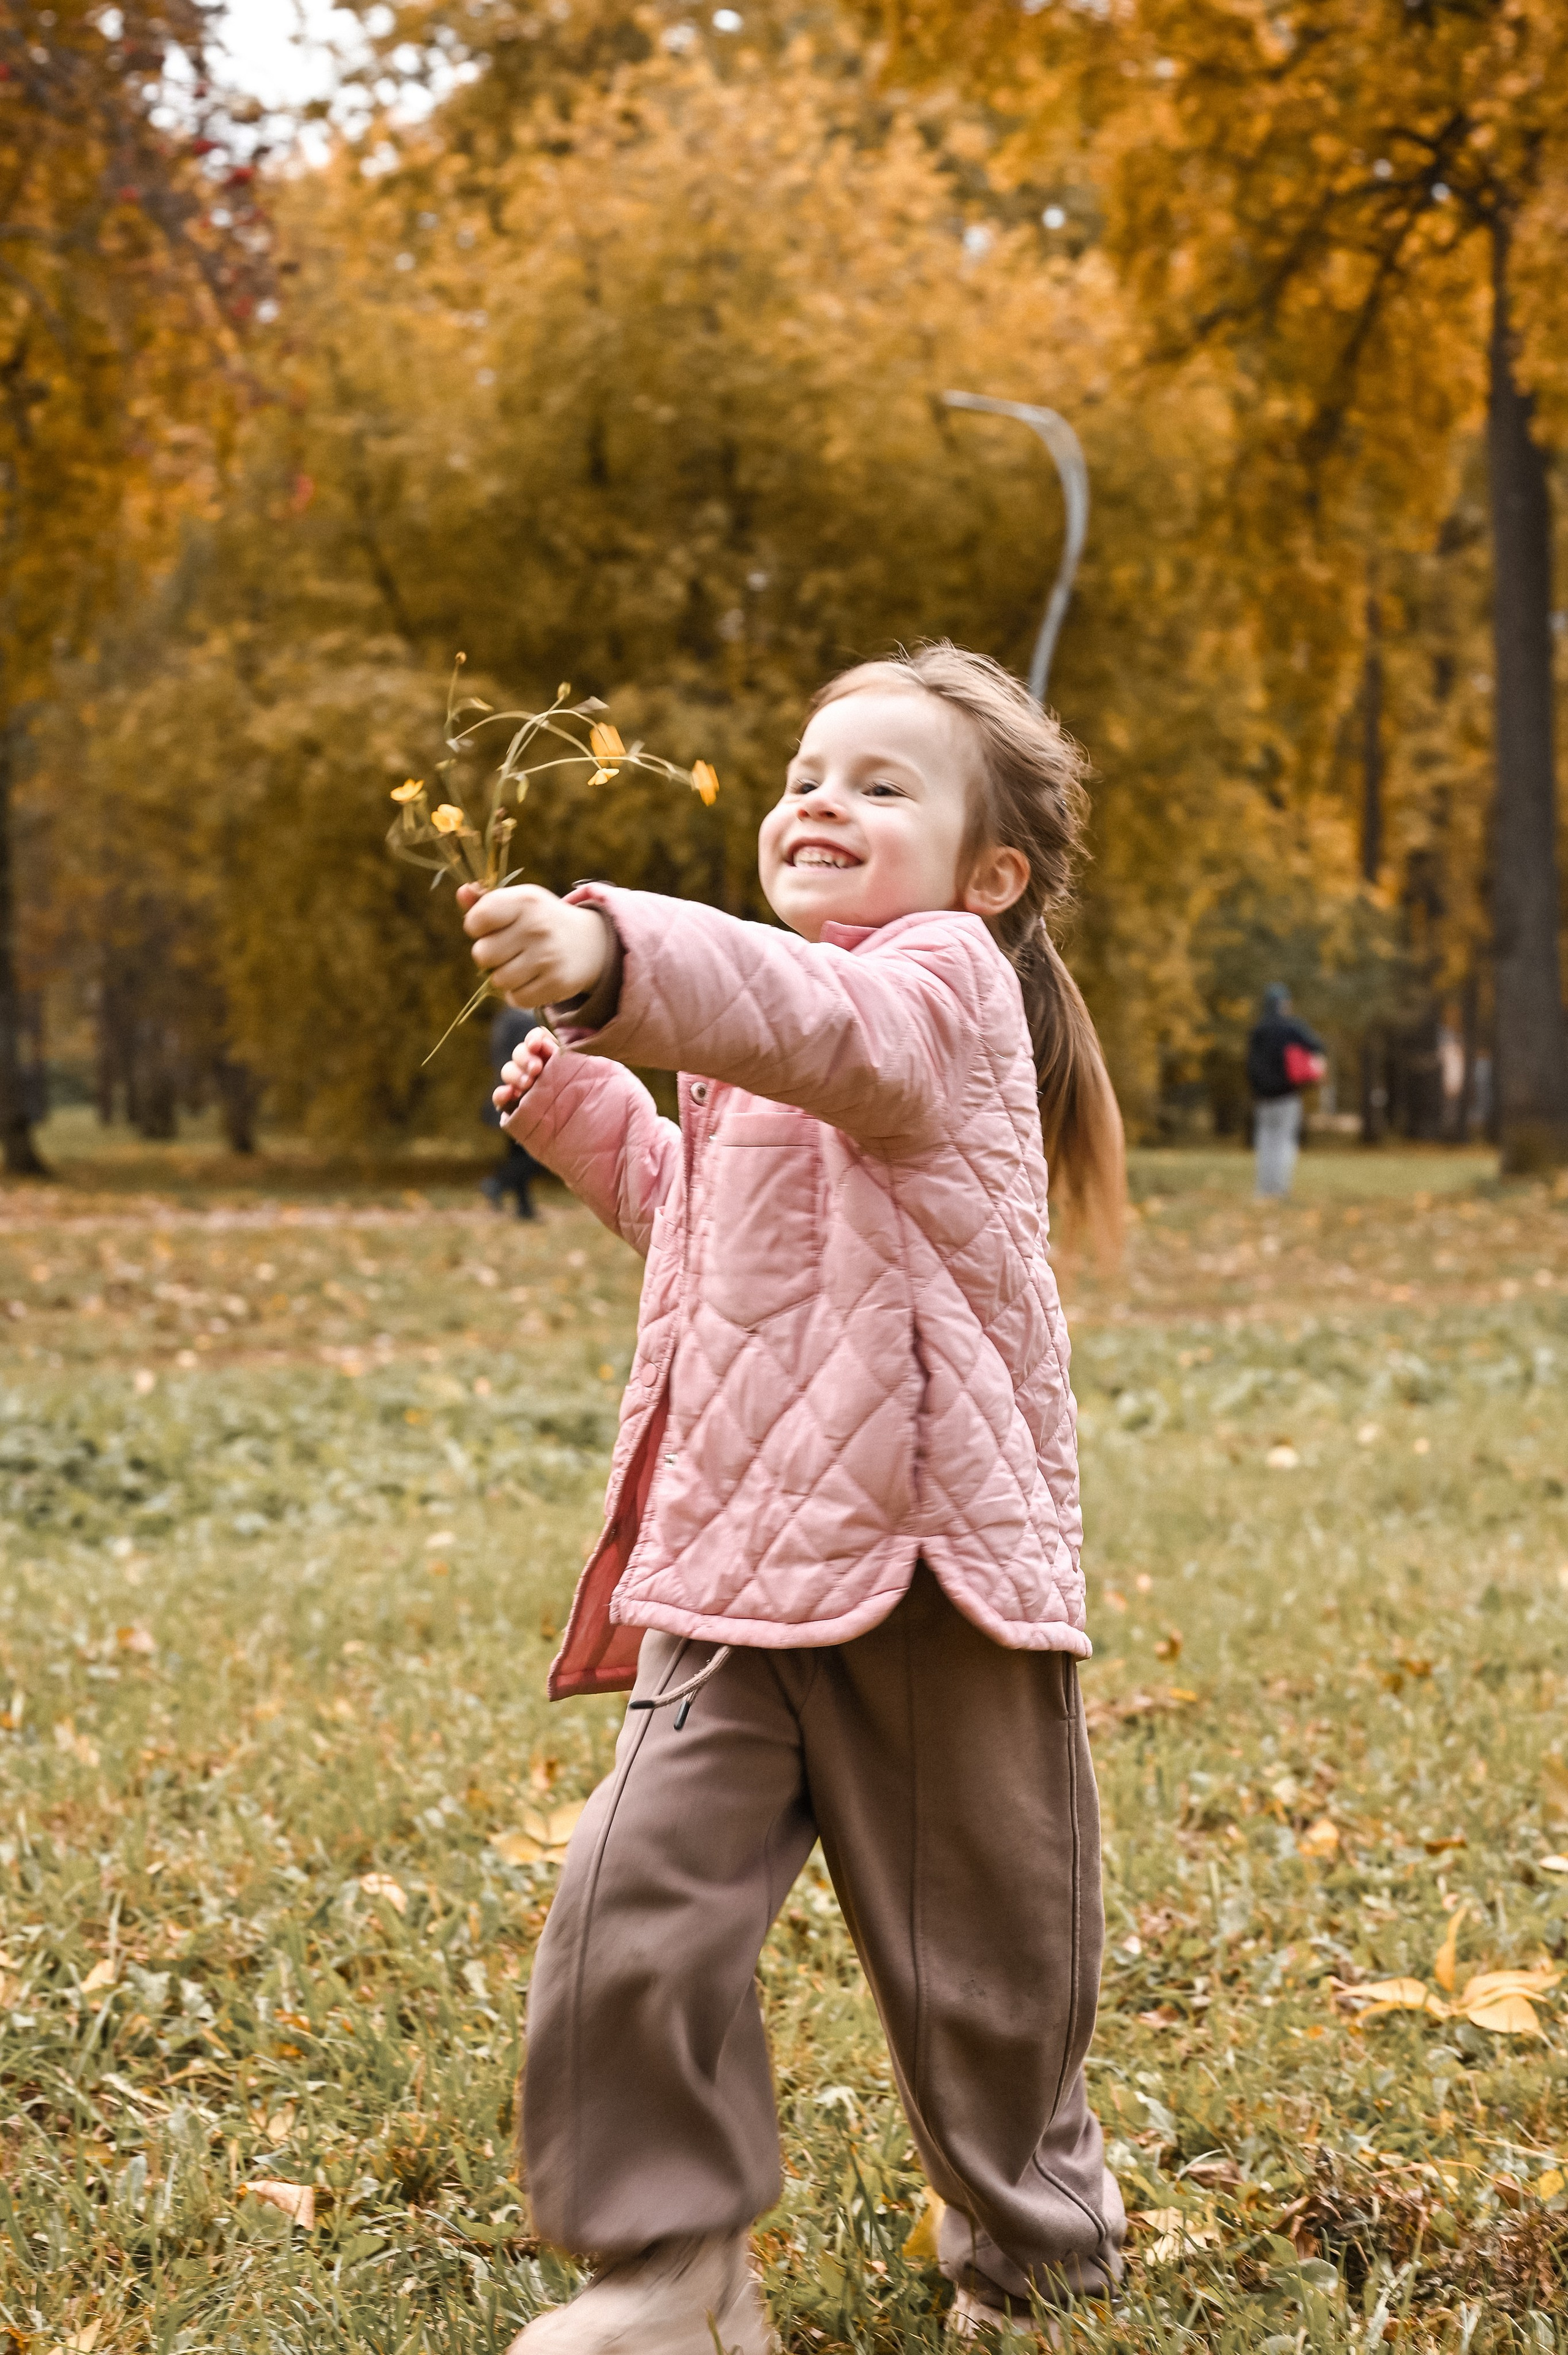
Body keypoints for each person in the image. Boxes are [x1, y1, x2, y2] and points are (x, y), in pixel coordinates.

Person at [458, 644, 1128, 2353]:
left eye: (881, 783)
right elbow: (723, 1229)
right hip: (736, 1561)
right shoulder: (761, 1014)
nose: (819, 798)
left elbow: (825, 1028)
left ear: (994, 876)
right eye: (805, 770)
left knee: (985, 1956)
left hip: (928, 1562)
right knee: (629, 1907)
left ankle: (1035, 2253)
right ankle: (674, 2266)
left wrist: (621, 952)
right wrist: (596, 1109)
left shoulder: (939, 988)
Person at [1245, 983, 1325, 1200]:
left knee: (1265, 1143)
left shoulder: (1258, 1030)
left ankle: (1263, 1190)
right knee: (1284, 1143)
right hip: (1287, 1096)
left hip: (1263, 1098)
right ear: (1284, 1004)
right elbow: (1317, 1046)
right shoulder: (1291, 1028)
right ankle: (1279, 1190)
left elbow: (1251, 1065)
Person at [482, 1002, 541, 1219]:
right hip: (521, 1097)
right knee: (535, 1155)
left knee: (518, 1152)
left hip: (504, 1095)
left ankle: (524, 1208)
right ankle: (497, 1184)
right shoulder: (524, 1022)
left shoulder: (503, 1019)